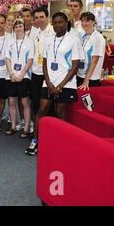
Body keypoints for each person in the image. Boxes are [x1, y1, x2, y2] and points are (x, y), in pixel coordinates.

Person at [26, 12, 83, 156]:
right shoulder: (48, 38)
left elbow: (75, 65)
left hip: (66, 83)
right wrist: (49, 83)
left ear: (66, 22)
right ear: (53, 23)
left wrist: (60, 86)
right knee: (41, 111)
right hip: (49, 82)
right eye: (55, 22)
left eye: (61, 22)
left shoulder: (73, 39)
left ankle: (61, 143)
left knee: (60, 113)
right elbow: (44, 61)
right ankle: (35, 141)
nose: (58, 25)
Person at [4, 19, 34, 138]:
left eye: (20, 26)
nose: (18, 29)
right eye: (16, 27)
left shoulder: (30, 41)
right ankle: (13, 126)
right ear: (14, 29)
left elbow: (30, 60)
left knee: (24, 102)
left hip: (24, 76)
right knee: (11, 101)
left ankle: (26, 127)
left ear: (24, 27)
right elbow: (7, 58)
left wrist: (21, 75)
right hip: (10, 76)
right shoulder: (9, 41)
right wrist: (11, 74)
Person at [30, 7, 54, 132]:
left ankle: (48, 131)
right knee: (35, 102)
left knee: (48, 105)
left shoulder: (53, 31)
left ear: (47, 17)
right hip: (35, 72)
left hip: (49, 74)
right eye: (37, 18)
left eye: (41, 17)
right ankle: (37, 131)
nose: (39, 20)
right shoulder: (35, 33)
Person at [77, 12, 105, 90]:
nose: (84, 23)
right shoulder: (84, 36)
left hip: (91, 78)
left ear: (94, 22)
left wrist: (86, 80)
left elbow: (94, 61)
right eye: (82, 21)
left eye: (87, 21)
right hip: (80, 75)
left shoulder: (98, 38)